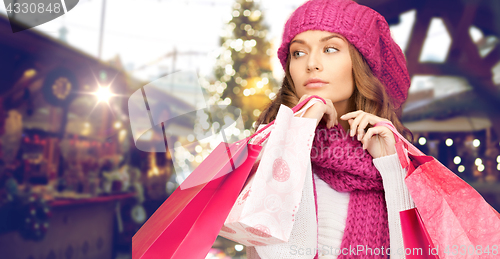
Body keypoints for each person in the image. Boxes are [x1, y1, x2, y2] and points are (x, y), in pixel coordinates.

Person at [250, 0, 415, 258]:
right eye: (298, 52)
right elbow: (274, 253)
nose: (312, 64)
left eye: (330, 48)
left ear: (360, 64)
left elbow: (415, 251)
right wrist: (298, 134)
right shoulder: (269, 149)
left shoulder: (397, 155)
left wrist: (391, 166)